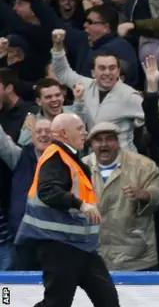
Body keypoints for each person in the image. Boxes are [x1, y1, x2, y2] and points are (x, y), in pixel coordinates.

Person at [14, 113, 120, 307]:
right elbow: (47, 190)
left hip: (81, 246)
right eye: (80, 129)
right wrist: (81, 204)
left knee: (108, 301)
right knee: (56, 304)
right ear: (63, 133)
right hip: (60, 246)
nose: (85, 133)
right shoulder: (55, 156)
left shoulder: (68, 157)